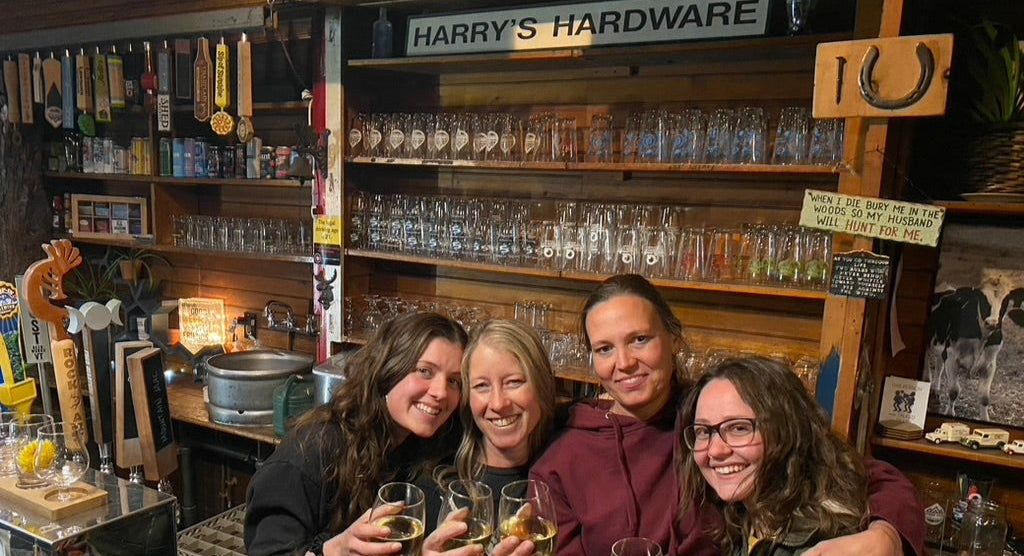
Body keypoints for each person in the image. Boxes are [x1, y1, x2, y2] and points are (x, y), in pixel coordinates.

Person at [530, 274, 925, 556]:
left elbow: (862, 474)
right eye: (604, 349)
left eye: (640, 339)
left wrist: (886, 535)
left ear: (674, 340)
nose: (624, 362)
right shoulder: (565, 453)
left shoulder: (714, 415)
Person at [244, 311, 468, 556]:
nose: (441, 392)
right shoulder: (312, 452)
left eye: (454, 381)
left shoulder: (430, 444)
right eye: (425, 371)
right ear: (388, 370)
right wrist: (333, 551)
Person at [678, 355, 872, 555]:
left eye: (739, 428)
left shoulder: (829, 545)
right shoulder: (741, 517)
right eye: (703, 431)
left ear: (788, 431)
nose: (715, 450)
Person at [423, 319, 558, 556]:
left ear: (542, 385)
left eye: (513, 382)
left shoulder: (564, 479)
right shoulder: (436, 488)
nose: (498, 403)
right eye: (482, 386)